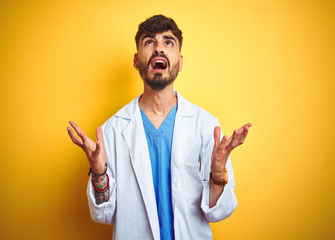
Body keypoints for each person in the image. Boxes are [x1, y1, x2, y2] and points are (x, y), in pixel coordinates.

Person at [67, 14, 251, 240]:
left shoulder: (206, 125)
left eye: (168, 42)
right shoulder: (112, 130)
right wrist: (98, 172)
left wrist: (218, 172)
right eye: (149, 42)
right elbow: (104, 214)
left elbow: (218, 212)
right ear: (136, 60)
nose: (158, 49)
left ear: (180, 61)